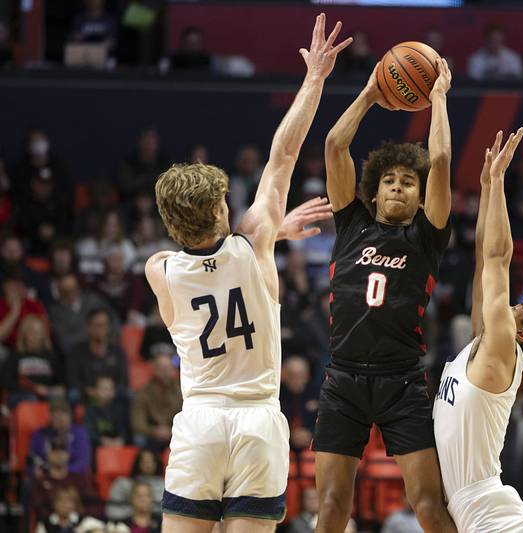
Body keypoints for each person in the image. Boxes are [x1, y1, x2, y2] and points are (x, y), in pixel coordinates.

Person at [144, 14, 349, 531]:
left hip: (201, 422)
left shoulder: (159, 270)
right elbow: (283, 154)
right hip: (258, 421)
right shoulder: (253, 242)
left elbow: (200, 256)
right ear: (220, 211)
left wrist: (271, 231)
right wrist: (315, 77)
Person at [314, 51, 455, 532]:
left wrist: (437, 100)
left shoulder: (426, 236)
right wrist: (372, 94)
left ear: (421, 196)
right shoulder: (351, 224)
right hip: (344, 381)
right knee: (332, 506)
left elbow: (438, 158)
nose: (398, 187)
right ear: (373, 192)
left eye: (408, 183)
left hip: (402, 383)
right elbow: (335, 145)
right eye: (390, 181)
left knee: (429, 505)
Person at [433, 130, 523, 533]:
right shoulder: (480, 346)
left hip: (489, 511)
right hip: (467, 507)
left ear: (522, 335)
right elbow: (482, 259)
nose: (507, 306)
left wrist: (500, 182)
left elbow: (499, 258)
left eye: (517, 308)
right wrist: (487, 186)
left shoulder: (502, 352)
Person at [106, 449, 165, 522]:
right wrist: (137, 514)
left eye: (152, 461)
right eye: (144, 461)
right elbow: (111, 511)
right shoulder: (123, 484)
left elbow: (169, 514)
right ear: (137, 463)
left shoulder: (164, 485)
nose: (148, 465)